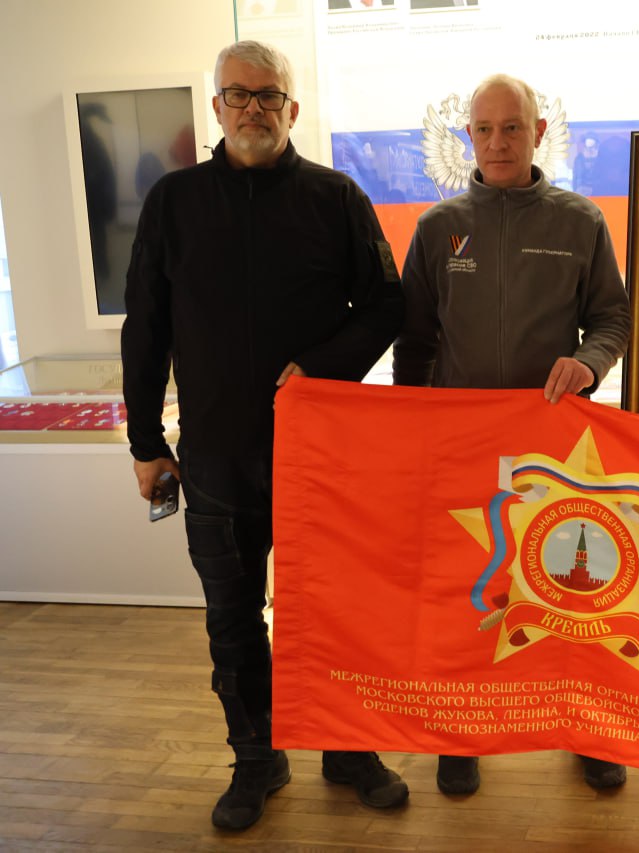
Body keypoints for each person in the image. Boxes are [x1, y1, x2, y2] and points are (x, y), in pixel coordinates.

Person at [121, 40, 408, 832]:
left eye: (268, 94)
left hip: (321, 457)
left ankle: (348, 750)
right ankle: (257, 758)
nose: (253, 107)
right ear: (217, 107)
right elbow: (146, 329)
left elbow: (387, 304)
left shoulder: (335, 197)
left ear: (291, 108)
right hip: (214, 457)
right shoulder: (173, 202)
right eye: (238, 94)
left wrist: (320, 366)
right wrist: (145, 442)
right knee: (233, 619)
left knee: (335, 612)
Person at [392, 73, 631, 795]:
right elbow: (414, 341)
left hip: (554, 447)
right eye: (485, 129)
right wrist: (409, 431)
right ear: (469, 136)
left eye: (512, 128)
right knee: (466, 594)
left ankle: (586, 730)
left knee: (572, 592)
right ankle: (460, 730)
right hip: (460, 447)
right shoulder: (438, 227)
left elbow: (612, 319)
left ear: (539, 133)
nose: (498, 142)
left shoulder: (579, 222)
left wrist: (589, 363)